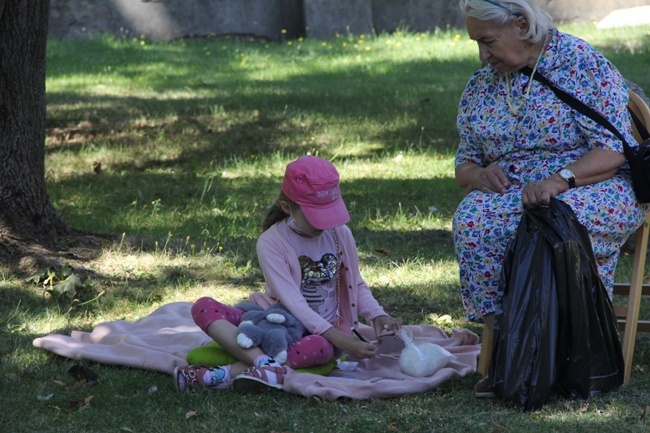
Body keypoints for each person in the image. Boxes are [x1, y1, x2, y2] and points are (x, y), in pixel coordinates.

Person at [453, 0, 650, 396]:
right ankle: (511, 351)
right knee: (474, 219)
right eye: (476, 43)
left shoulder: (580, 64)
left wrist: (559, 180)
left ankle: (571, 354)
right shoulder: (482, 84)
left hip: (592, 182)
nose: (482, 54)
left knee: (553, 219)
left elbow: (612, 151)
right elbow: (464, 165)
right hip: (515, 189)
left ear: (522, 24)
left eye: (488, 41)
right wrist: (480, 174)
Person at [174, 155, 401, 393]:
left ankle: (226, 374)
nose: (324, 224)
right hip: (273, 321)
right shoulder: (272, 242)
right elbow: (295, 305)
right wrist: (339, 338)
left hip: (313, 337)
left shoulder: (340, 234)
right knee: (203, 307)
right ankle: (265, 364)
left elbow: (355, 284)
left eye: (329, 214)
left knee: (321, 349)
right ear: (287, 208)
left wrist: (377, 316)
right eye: (316, 217)